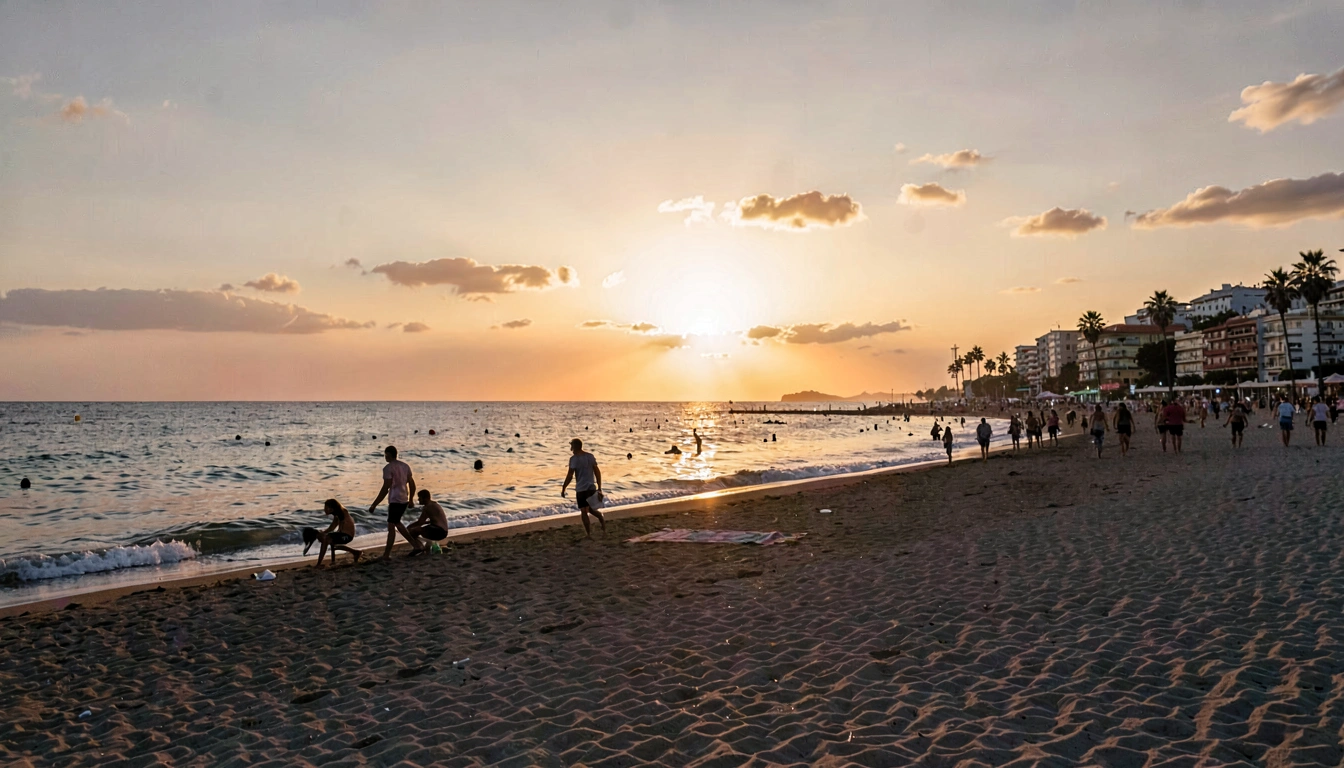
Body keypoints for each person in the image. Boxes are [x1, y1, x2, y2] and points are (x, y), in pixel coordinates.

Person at [369, 445, 416, 559]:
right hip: (404, 499)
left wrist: (374, 504)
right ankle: (415, 545)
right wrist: (410, 499)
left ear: (389, 455)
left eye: (385, 455)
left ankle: (387, 554)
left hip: (395, 500)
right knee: (396, 524)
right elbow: (412, 484)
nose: (385, 457)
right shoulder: (405, 466)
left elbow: (386, 488)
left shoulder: (388, 468)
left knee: (392, 526)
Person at [561, 438, 606, 538]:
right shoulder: (590, 457)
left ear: (575, 447)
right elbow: (597, 472)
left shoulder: (573, 459)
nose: (571, 448)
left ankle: (589, 534)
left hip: (581, 489)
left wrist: (564, 488)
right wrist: (599, 487)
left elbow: (569, 475)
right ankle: (601, 519)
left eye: (571, 446)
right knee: (590, 509)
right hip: (591, 487)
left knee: (584, 511)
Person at [312, 499, 361, 566]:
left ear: (332, 508)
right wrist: (323, 532)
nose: (324, 509)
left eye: (326, 508)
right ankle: (334, 560)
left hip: (347, 536)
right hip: (343, 535)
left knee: (327, 539)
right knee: (329, 539)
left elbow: (338, 525)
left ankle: (319, 564)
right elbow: (332, 528)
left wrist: (324, 535)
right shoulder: (337, 515)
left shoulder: (342, 512)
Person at [405, 489, 449, 554]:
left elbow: (420, 522)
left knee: (413, 531)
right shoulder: (434, 504)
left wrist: (408, 527)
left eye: (420, 498)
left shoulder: (427, 507)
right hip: (444, 531)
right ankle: (423, 546)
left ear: (425, 498)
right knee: (420, 529)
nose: (418, 500)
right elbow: (435, 520)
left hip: (439, 531)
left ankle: (419, 546)